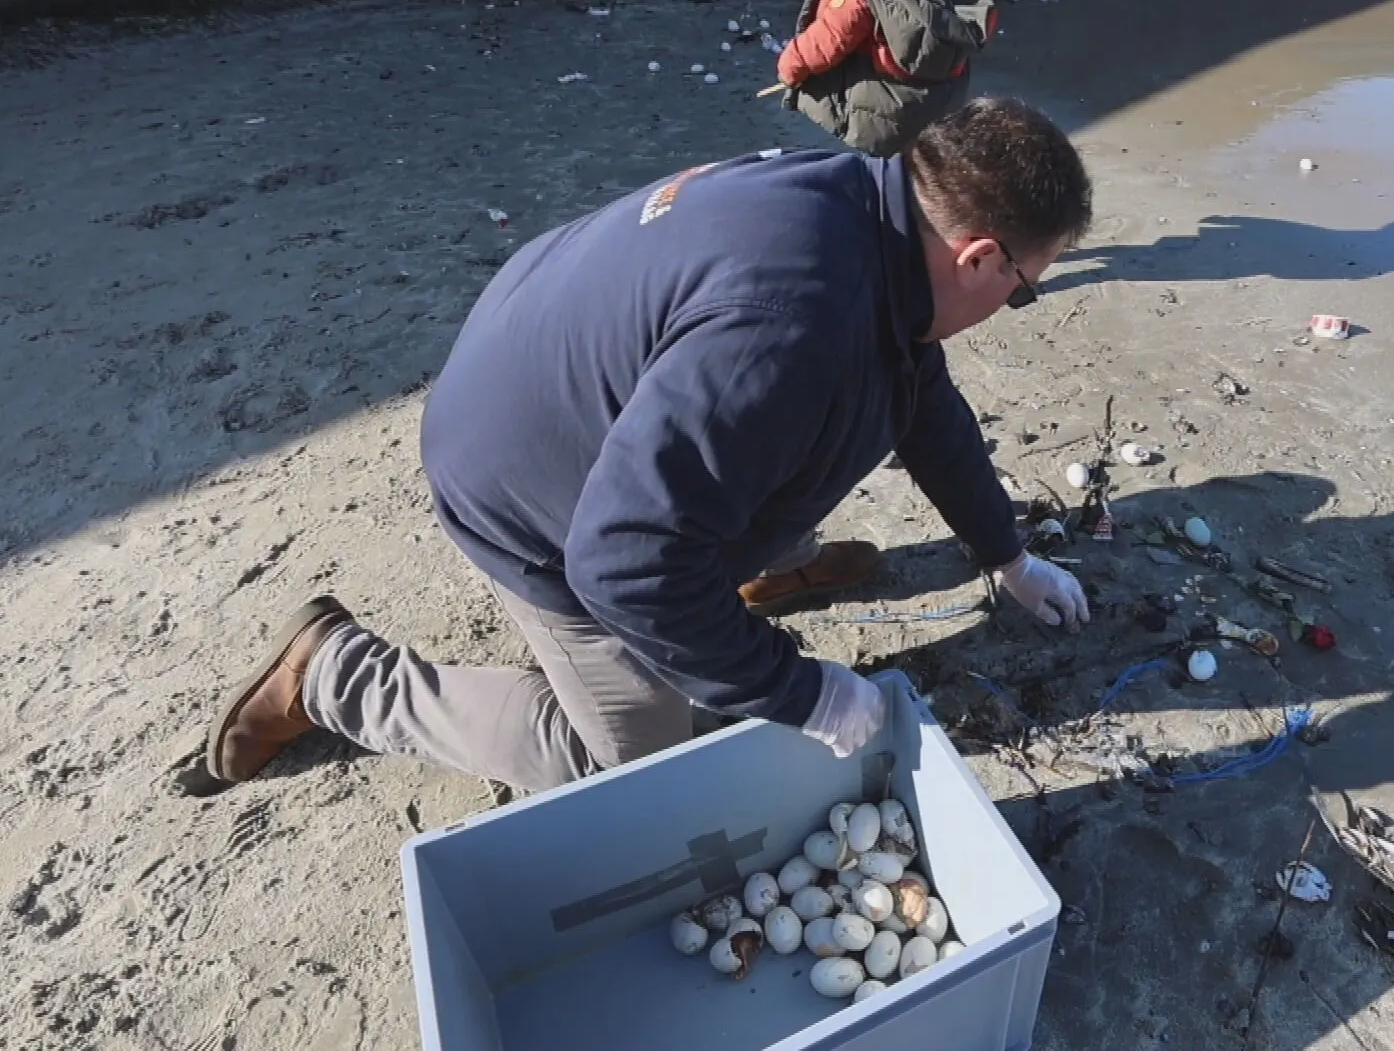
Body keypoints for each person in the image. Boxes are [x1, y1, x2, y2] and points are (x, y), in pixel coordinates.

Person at [204, 98, 1094, 793]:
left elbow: (917, 392)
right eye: (1023, 288)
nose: (1012, 304)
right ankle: (335, 676)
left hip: (575, 369)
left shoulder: (869, 204)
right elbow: (623, 562)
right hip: (529, 489)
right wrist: (802, 692)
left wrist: (1008, 556)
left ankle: (747, 570)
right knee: (633, 766)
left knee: (807, 417)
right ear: (978, 258)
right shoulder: (793, 330)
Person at [776, 0, 996, 156]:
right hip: (936, 114)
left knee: (852, 168)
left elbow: (819, 46)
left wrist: (789, 71)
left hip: (871, 121)